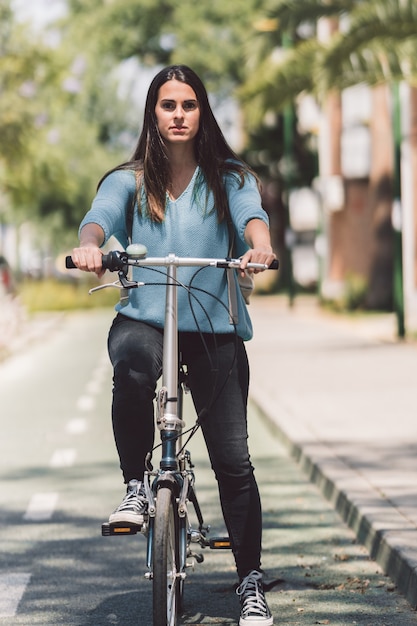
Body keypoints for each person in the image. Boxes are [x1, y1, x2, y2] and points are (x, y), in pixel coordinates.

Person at [71, 64, 276, 626]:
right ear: (153, 114)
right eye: (168, 105)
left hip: (214, 327)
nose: (179, 114)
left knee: (233, 461)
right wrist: (90, 247)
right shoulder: (129, 179)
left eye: (189, 105)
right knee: (133, 363)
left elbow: (251, 218)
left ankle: (250, 582)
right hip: (146, 319)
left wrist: (259, 246)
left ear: (202, 112)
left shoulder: (231, 178)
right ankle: (137, 486)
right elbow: (98, 220)